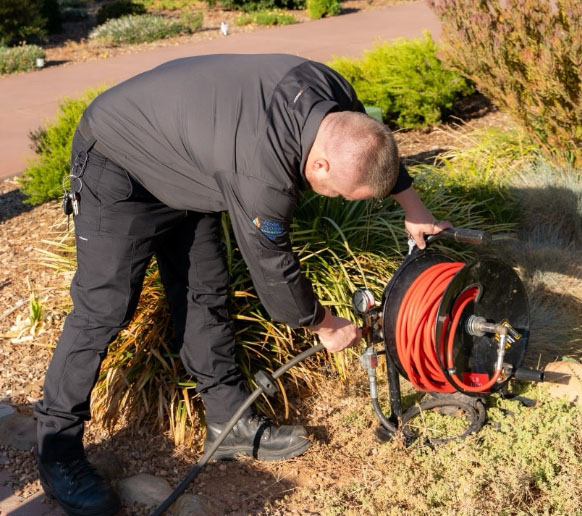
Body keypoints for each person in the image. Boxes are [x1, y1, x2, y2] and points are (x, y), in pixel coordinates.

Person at [34, 54, 447, 516]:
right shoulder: (260, 173)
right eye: (337, 193)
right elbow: (273, 268)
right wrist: (325, 323)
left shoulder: (331, 92)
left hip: (191, 160)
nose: (327, 198)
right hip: (120, 160)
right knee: (102, 310)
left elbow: (370, 143)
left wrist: (413, 205)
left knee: (205, 290)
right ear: (323, 167)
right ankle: (57, 451)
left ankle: (229, 422)